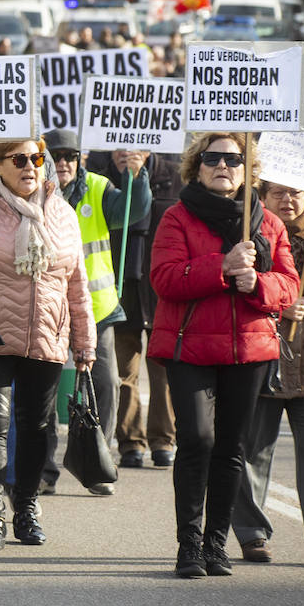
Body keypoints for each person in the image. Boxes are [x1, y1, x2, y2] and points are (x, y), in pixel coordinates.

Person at [148, 133, 297, 578]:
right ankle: (189, 544)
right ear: (197, 166)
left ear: (246, 169)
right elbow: (165, 279)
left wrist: (261, 285)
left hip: (248, 349)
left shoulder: (268, 223)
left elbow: (288, 284)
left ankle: (216, 545)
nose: (223, 165)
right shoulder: (176, 216)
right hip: (189, 348)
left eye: (233, 159)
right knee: (196, 440)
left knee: (232, 448)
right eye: (212, 158)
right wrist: (223, 266)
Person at [0, 137, 95, 552]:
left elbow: (76, 282)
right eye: (18, 159)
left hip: (46, 336)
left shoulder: (62, 213)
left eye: (37, 158)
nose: (30, 166)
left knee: (37, 427)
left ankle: (27, 508)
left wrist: (85, 343)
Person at [42, 129, 151, 495]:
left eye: (69, 156)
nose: (62, 163)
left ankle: (100, 462)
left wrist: (137, 175)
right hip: (48, 309)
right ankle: (43, 468)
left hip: (95, 308)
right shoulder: (31, 192)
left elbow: (134, 211)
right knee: (43, 389)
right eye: (54, 156)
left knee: (105, 385)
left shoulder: (99, 187)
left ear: (80, 159)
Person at [231, 181, 304, 565]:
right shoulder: (251, 235)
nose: (288, 201)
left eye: (296, 194)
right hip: (264, 361)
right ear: (263, 198)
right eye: (279, 194)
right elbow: (237, 291)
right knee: (252, 453)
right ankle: (252, 535)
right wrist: (278, 307)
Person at [87, 148, 182, 470]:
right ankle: (130, 442)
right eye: (118, 146)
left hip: (161, 291)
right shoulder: (99, 179)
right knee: (123, 373)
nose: (127, 152)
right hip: (120, 288)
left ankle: (163, 440)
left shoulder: (175, 176)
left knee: (163, 371)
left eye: (136, 147)